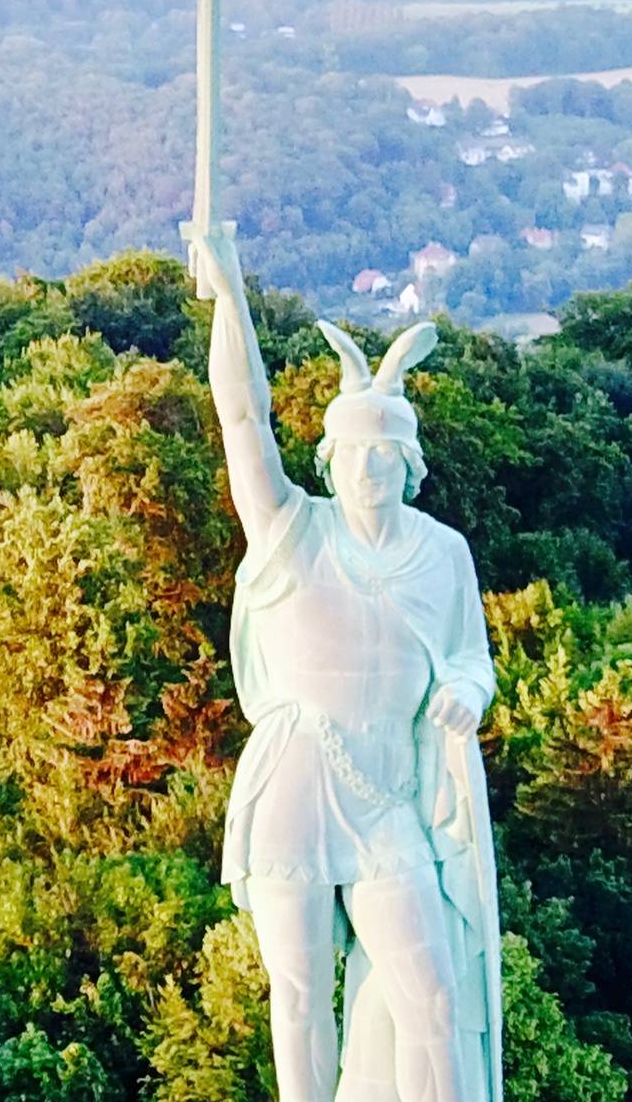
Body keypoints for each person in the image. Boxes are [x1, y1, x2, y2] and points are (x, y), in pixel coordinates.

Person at [189, 224, 504, 1102]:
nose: (370, 468)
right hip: (295, 787)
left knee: (434, 997)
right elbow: (242, 418)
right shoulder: (294, 532)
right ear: (330, 461)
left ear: (409, 462)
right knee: (298, 999)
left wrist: (465, 693)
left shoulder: (442, 554)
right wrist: (231, 297)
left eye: (386, 452)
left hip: (390, 798)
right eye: (356, 452)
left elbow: (471, 661)